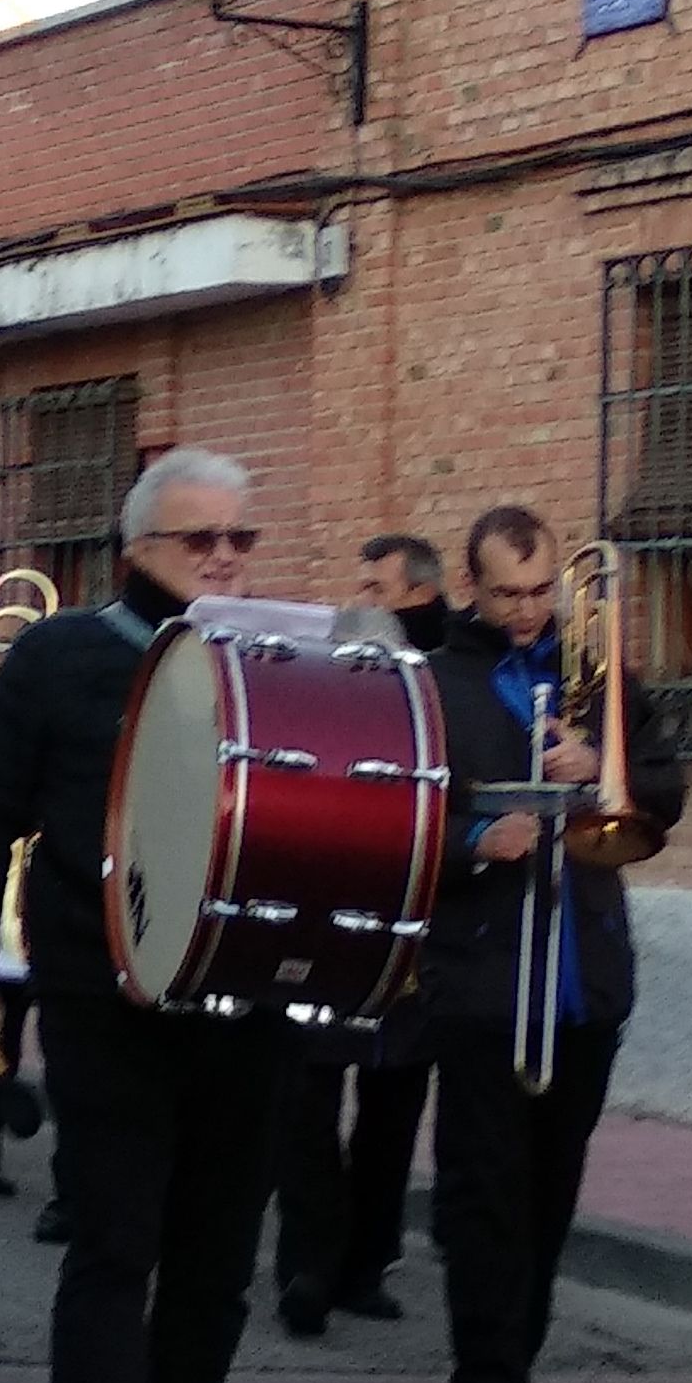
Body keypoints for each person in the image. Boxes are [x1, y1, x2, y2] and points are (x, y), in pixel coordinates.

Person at [0, 447, 283, 1383]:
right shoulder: (62, 656)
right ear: (136, 548)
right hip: (103, 995)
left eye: (240, 539)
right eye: (201, 540)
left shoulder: (275, 662)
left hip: (242, 1004)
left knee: (217, 1265)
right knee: (114, 1248)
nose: (225, 558)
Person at [422, 510, 687, 1383]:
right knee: (483, 1187)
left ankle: (518, 1364)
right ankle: (481, 1379)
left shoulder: (603, 681)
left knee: (551, 1186)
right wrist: (470, 843)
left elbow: (665, 790)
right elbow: (403, 818)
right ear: (474, 589)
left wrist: (601, 766)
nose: (529, 611)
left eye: (541, 593)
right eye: (509, 594)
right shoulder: (439, 684)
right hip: (484, 974)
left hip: (584, 972)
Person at [272, 532, 453, 1339]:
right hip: (326, 920)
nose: (361, 599)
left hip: (413, 923)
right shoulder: (336, 673)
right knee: (307, 1104)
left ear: (418, 594)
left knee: (392, 1106)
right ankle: (308, 1265)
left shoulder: (444, 677)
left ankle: (365, 1263)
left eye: (376, 588)